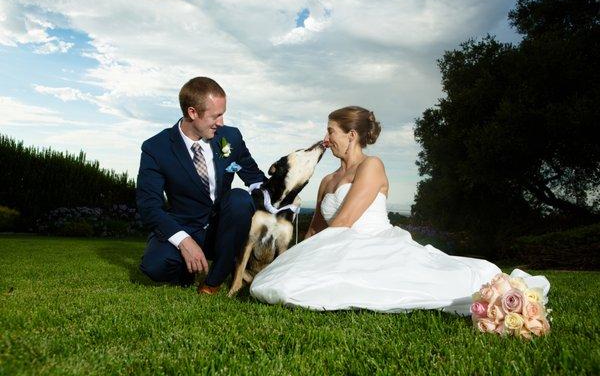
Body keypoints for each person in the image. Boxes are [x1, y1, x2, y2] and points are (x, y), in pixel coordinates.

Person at [250, 106, 549, 313]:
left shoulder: (372, 165)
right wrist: (295, 259)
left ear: (352, 135)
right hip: (335, 244)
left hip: (372, 244)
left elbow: (344, 221)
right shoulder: (327, 180)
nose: (327, 139)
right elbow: (316, 229)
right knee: (282, 283)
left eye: (332, 132)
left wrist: (312, 257)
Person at [137, 77, 265, 294]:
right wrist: (183, 241)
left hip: (223, 228)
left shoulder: (230, 137)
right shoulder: (155, 148)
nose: (221, 122)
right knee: (155, 267)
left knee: (239, 198)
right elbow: (149, 206)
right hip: (185, 226)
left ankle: (214, 280)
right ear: (193, 112)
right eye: (216, 115)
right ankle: (187, 269)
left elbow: (255, 179)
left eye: (223, 114)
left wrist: (281, 202)